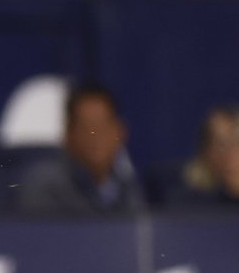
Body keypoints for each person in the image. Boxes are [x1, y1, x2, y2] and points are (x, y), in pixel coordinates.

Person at [17, 83, 146, 213]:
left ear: (120, 132)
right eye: (86, 127)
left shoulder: (129, 187)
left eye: (102, 126)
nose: (94, 136)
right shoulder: (45, 186)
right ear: (68, 134)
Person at [171, 105, 239, 207]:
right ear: (205, 152)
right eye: (220, 144)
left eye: (237, 142)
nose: (230, 154)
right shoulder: (187, 203)